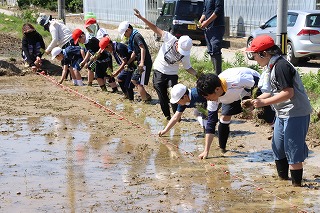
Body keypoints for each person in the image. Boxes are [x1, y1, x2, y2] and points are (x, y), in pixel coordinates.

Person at [246, 35, 312, 187]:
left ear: (264, 54)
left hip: (296, 112)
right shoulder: (270, 67)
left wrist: (264, 102)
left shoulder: (281, 66)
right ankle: (283, 182)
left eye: (254, 54)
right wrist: (256, 101)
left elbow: (288, 93)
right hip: (282, 113)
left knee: (293, 149)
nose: (254, 58)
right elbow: (272, 91)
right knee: (278, 147)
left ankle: (296, 188)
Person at [196, 67, 275, 159]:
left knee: (266, 114)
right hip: (232, 97)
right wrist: (206, 151)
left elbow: (260, 85)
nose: (207, 99)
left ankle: (282, 138)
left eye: (207, 96)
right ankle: (223, 149)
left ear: (217, 89)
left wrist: (253, 103)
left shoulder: (238, 80)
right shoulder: (212, 97)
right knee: (224, 117)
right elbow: (211, 123)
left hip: (251, 88)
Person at [134, 8, 198, 120]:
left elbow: (188, 68)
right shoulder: (170, 39)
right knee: (162, 96)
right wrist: (141, 18)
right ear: (177, 43)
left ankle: (177, 117)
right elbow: (154, 28)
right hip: (159, 70)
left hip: (172, 73)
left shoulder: (185, 54)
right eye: (180, 50)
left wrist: (198, 75)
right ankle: (168, 118)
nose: (180, 53)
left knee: (175, 94)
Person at [118, 20, 152, 102]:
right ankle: (146, 97)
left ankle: (146, 100)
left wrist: (142, 62)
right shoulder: (132, 38)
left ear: (128, 30)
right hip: (140, 62)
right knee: (135, 80)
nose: (125, 36)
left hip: (144, 62)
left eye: (125, 34)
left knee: (137, 81)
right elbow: (134, 52)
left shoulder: (137, 36)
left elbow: (142, 48)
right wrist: (128, 62)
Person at [198, 0, 225, 75]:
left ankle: (218, 75)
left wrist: (207, 22)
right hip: (208, 28)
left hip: (216, 27)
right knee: (211, 51)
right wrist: (200, 21)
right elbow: (205, 11)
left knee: (215, 49)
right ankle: (215, 73)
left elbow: (218, 10)